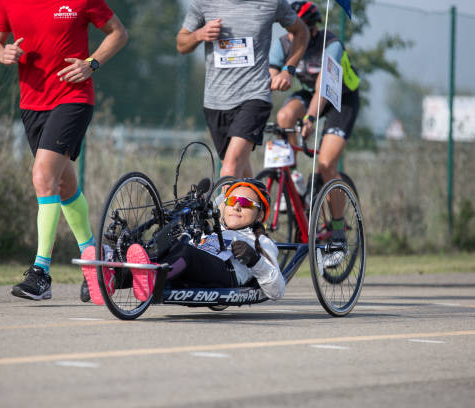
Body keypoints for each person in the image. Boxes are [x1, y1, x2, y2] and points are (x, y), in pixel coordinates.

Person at [0, 0, 128, 301]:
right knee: (63, 184)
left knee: (42, 175)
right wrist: (3, 53)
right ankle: (96, 262)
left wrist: (91, 63)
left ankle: (41, 273)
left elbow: (118, 32)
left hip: (73, 98)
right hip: (32, 104)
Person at [82, 179, 285, 304]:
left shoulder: (261, 242)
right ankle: (109, 278)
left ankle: (152, 275)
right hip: (191, 268)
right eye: (232, 201)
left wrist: (254, 260)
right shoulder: (213, 229)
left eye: (246, 203)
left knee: (186, 252)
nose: (237, 207)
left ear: (259, 215)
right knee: (163, 247)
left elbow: (277, 291)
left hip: (225, 272)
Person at [269, 1, 360, 267]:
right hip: (311, 93)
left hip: (341, 99)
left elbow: (324, 85)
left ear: (313, 28)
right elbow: (272, 73)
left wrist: (310, 118)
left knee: (326, 163)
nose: (290, 33)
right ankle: (295, 179)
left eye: (297, 28)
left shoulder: (331, 44)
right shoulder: (283, 42)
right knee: (283, 118)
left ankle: (339, 232)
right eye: (288, 28)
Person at [176, 1, 310, 179]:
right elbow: (181, 43)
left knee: (230, 170)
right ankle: (259, 207)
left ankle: (227, 207)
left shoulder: (272, 2)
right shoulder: (204, 3)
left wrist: (288, 70)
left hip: (255, 96)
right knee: (241, 177)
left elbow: (301, 32)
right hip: (216, 100)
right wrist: (199, 35)